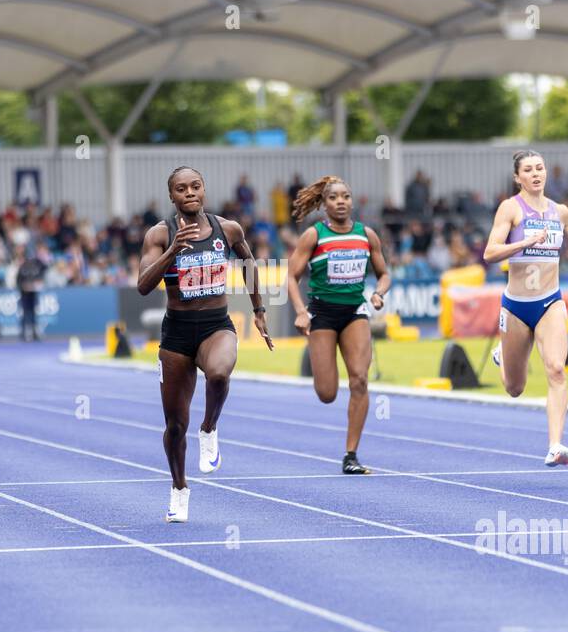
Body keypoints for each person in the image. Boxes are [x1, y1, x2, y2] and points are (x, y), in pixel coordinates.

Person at [137, 166, 273, 523]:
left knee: (218, 373)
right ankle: (179, 488)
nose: (189, 193)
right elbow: (142, 285)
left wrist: (258, 310)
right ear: (172, 197)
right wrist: (170, 253)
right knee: (175, 426)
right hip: (177, 334)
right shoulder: (159, 234)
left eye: (195, 186)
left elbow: (248, 261)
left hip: (216, 325)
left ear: (204, 190)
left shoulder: (227, 229)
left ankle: (210, 427)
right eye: (181, 189)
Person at [484, 150, 568, 466]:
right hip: (515, 306)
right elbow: (490, 252)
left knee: (556, 368)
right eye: (528, 170)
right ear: (518, 177)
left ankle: (556, 445)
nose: (536, 174)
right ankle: (503, 356)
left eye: (540, 168)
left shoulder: (560, 212)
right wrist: (524, 243)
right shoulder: (510, 209)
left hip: (550, 301)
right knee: (515, 388)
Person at [285, 175, 392, 474]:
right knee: (327, 393)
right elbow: (291, 277)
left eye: (345, 196)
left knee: (359, 380)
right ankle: (325, 377)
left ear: (352, 200)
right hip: (322, 313)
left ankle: (351, 455)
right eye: (334, 198)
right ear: (324, 204)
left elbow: (384, 273)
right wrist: (300, 312)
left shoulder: (366, 235)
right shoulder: (314, 235)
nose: (341, 202)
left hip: (355, 312)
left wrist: (379, 293)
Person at [16, 246, 46, 340]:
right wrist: (23, 286)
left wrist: (37, 284)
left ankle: (34, 333)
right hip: (24, 294)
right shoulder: (23, 267)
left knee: (33, 313)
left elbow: (44, 271)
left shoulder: (37, 266)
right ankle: (23, 333)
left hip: (33, 293)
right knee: (25, 313)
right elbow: (18, 281)